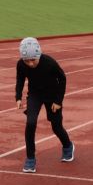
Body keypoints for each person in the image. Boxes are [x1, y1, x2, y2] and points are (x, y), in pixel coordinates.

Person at [16, 37, 74, 173]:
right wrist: (18, 97)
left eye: (33, 60)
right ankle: (30, 158)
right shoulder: (21, 64)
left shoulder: (49, 63)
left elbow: (63, 79)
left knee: (56, 126)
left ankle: (68, 146)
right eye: (26, 60)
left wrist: (58, 101)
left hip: (52, 96)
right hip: (35, 95)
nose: (30, 64)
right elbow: (20, 79)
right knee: (30, 123)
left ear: (38, 55)